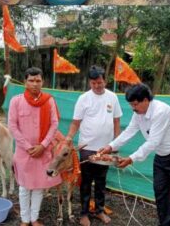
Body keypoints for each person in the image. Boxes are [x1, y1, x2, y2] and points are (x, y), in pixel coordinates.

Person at [98, 83, 170, 226]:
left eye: (135, 104)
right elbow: (128, 132)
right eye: (131, 105)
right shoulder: (138, 114)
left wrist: (131, 159)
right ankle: (166, 223)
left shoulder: (161, 112)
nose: (133, 108)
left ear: (146, 100)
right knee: (161, 192)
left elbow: (153, 142)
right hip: (162, 157)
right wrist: (110, 146)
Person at [63, 66, 122, 226]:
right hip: (87, 147)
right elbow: (76, 123)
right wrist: (69, 137)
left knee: (102, 182)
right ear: (90, 82)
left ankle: (99, 210)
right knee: (86, 182)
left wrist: (115, 143)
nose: (97, 85)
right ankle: (84, 213)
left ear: (105, 80)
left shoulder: (113, 97)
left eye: (100, 82)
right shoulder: (84, 98)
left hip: (106, 147)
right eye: (94, 83)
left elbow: (116, 121)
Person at [8, 67, 63, 226]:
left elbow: (54, 124)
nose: (34, 84)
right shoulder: (16, 101)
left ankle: (34, 218)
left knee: (39, 186)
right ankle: (25, 220)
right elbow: (12, 126)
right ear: (25, 82)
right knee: (24, 187)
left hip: (43, 151)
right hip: (23, 152)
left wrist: (43, 145)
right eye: (31, 80)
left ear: (42, 82)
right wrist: (27, 146)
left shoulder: (49, 100)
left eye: (38, 80)